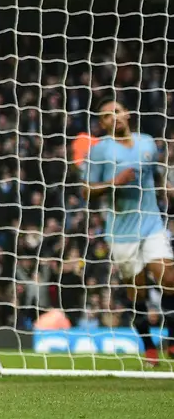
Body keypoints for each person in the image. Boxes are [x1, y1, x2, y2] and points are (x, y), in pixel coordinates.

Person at [82, 99, 174, 364]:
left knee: (168, 278)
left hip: (151, 223)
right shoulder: (100, 151)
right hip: (121, 232)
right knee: (138, 293)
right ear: (103, 124)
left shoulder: (147, 143)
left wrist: (165, 191)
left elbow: (154, 177)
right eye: (108, 116)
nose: (115, 118)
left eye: (118, 112)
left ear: (128, 115)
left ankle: (172, 339)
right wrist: (114, 182)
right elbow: (87, 191)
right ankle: (149, 347)